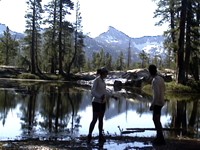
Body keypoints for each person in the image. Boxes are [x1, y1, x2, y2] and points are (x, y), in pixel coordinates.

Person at [87, 67, 117, 144]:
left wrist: (112, 96)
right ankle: (89, 135)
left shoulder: (103, 81)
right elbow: (92, 92)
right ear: (102, 73)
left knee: (101, 119)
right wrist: (99, 96)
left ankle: (100, 135)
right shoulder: (96, 80)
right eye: (106, 73)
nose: (107, 75)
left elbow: (104, 91)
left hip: (103, 102)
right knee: (94, 119)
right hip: (96, 102)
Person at [148, 64, 166, 145]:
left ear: (150, 71)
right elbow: (164, 89)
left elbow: (156, 94)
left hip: (157, 103)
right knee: (157, 120)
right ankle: (160, 137)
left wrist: (152, 105)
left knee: (156, 120)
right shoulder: (161, 79)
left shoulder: (155, 81)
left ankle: (160, 139)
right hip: (161, 102)